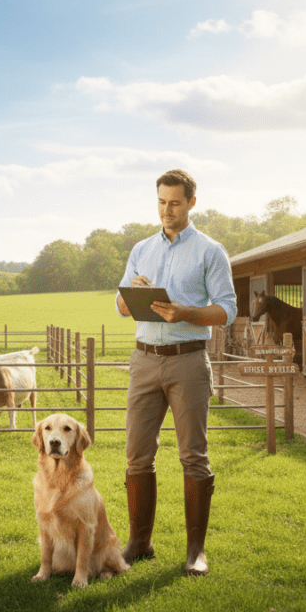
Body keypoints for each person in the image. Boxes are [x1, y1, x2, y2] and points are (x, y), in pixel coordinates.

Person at [114, 169, 236, 576]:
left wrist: (185, 312)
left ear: (192, 203)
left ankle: (195, 551)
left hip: (188, 360)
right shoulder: (141, 249)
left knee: (193, 457)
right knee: (136, 455)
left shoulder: (210, 251)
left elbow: (226, 310)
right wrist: (132, 294)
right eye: (162, 202)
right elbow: (120, 304)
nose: (168, 210)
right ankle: (139, 542)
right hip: (144, 360)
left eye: (176, 203)